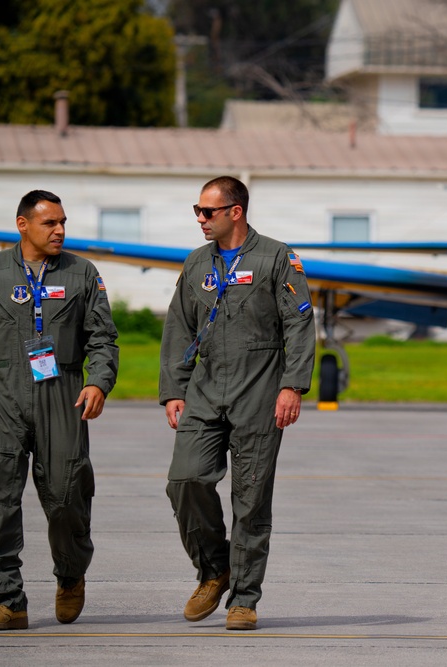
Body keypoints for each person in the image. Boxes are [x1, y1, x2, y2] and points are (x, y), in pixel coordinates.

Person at [0, 190, 119, 631]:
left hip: (63, 394)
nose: (59, 231)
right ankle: (7, 602)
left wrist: (98, 381)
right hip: (3, 396)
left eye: (63, 223)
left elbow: (103, 338)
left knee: (66, 496)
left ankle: (71, 574)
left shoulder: (82, 273)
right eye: (49, 223)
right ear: (22, 225)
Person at [160, 176, 315, 631]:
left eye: (208, 212)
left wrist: (293, 385)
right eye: (197, 211)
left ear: (235, 211)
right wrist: (174, 389)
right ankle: (214, 569)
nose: (200, 219)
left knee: (250, 500)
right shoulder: (195, 264)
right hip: (206, 389)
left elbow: (300, 325)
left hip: (261, 389)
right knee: (184, 480)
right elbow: (178, 330)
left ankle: (244, 599)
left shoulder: (277, 258)